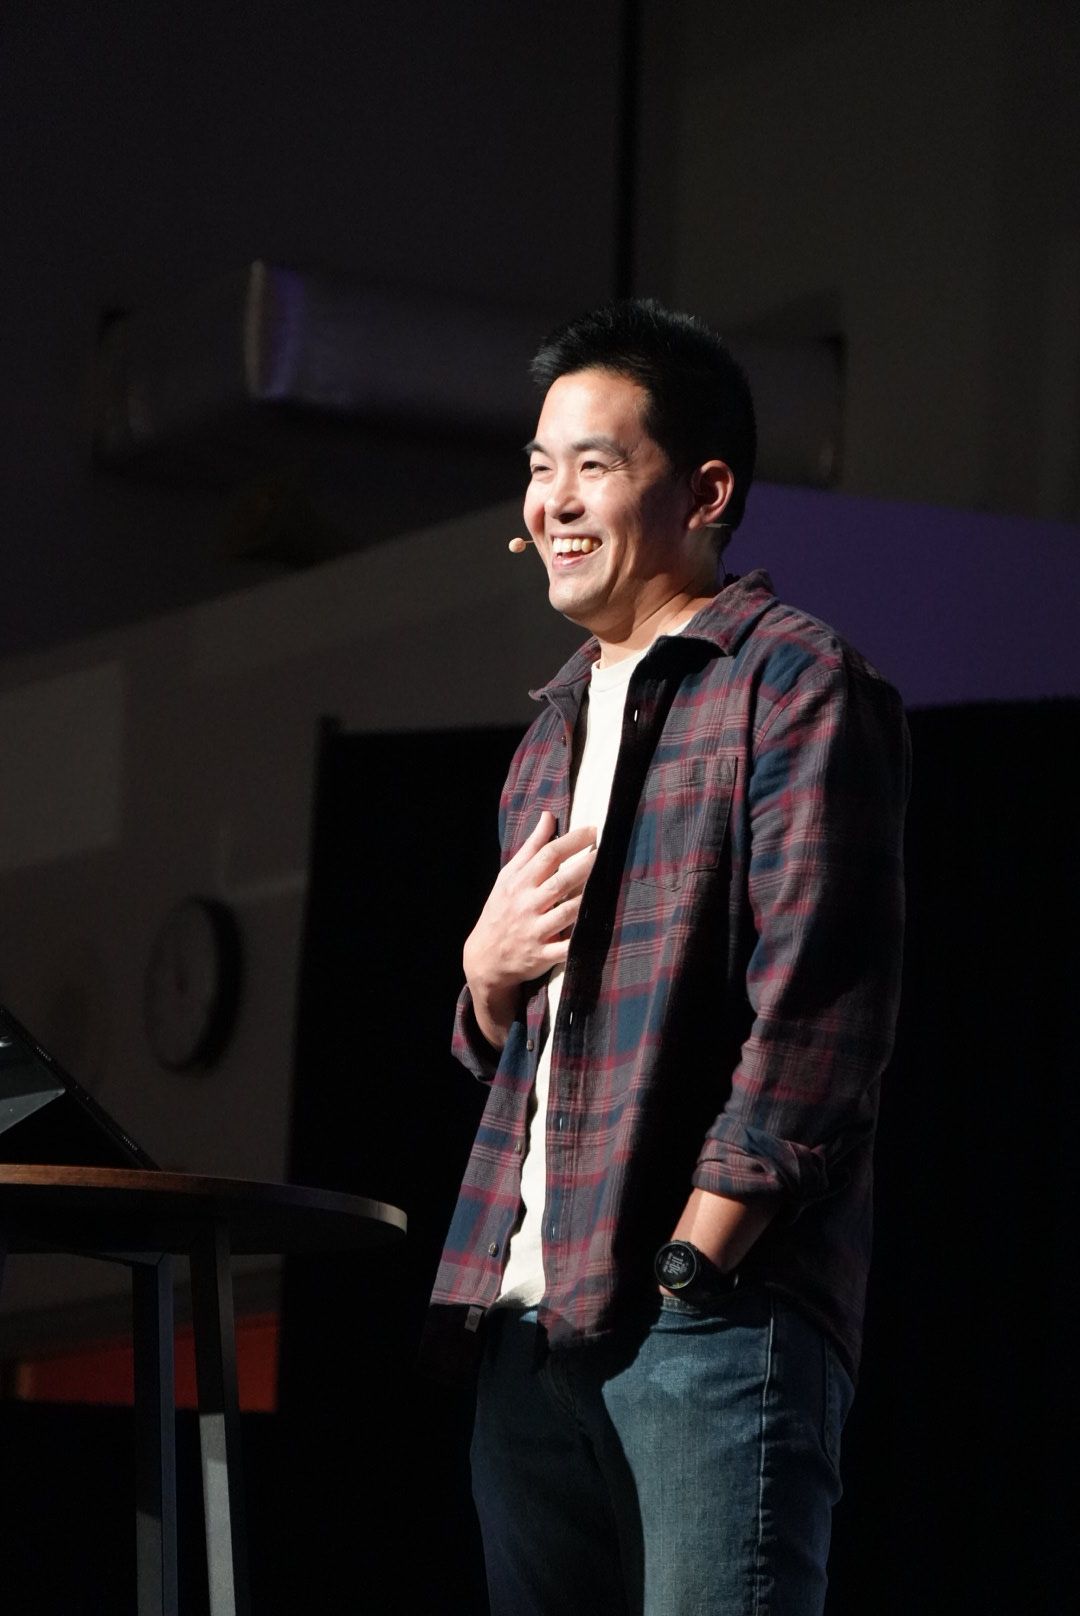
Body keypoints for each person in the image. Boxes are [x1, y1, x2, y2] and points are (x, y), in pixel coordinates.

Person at [423, 299, 909, 1615]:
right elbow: (513, 1046)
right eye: (540, 468)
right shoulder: (548, 737)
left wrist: (699, 1258)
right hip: (527, 1322)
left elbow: (821, 1013)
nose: (553, 502)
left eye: (594, 464)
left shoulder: (792, 685)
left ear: (704, 491)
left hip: (705, 1322)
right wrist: (483, 978)